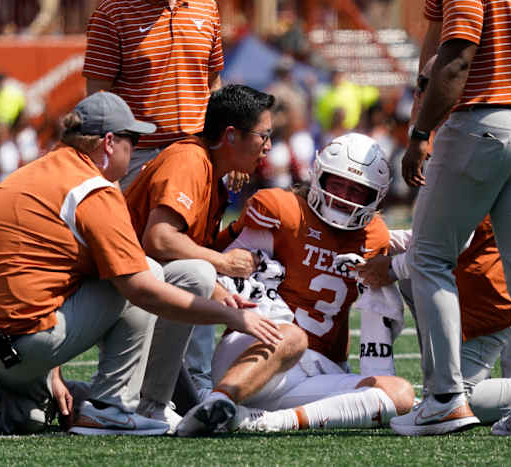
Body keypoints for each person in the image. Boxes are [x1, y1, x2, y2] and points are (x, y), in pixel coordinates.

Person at [0, 91, 281, 437]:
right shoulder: (94, 190)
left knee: (31, 419)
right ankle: (113, 406)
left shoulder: (37, 172)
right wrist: (231, 315)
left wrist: (51, 373)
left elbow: (39, 277)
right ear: (108, 143)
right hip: (19, 340)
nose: (135, 151)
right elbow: (142, 286)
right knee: (148, 273)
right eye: (131, 140)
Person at [393, 0, 511, 437]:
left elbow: (457, 59)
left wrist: (421, 132)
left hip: (483, 120)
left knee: (429, 257)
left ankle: (443, 399)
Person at [175, 132, 415, 437]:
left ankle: (263, 421)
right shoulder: (281, 211)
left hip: (316, 373)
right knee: (292, 336)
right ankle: (217, 401)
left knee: (401, 393)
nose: (343, 197)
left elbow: (439, 244)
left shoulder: (374, 236)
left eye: (357, 191)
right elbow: (207, 271)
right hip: (255, 351)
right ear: (318, 177)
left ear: (375, 197)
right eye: (336, 184)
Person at [124, 84, 275, 425]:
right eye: (263, 136)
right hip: (116, 288)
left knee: (208, 280)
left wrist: (225, 294)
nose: (268, 147)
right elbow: (159, 239)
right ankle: (150, 402)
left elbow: (179, 249)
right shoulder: (190, 161)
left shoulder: (208, 169)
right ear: (232, 136)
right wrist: (223, 264)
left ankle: (137, 399)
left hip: (134, 282)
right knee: (200, 274)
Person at [82, 0, 225, 190]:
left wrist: (224, 146)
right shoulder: (111, 13)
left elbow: (213, 84)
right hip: (137, 156)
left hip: (199, 151)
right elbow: (97, 99)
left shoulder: (207, 6)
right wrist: (110, 167)